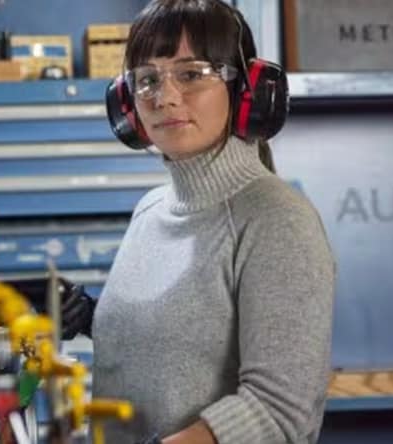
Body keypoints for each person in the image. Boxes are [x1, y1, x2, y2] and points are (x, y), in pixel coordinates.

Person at [56, 1, 336, 443]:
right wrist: (94, 319)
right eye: (147, 79)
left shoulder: (278, 221)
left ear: (247, 89)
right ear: (127, 103)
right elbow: (188, 343)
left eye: (191, 74)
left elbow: (280, 412)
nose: (164, 97)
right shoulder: (150, 211)